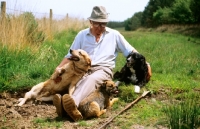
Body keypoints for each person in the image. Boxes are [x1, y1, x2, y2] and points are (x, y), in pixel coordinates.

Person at [53, 6, 152, 121]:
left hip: (103, 69)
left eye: (103, 24)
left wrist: (147, 64)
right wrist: (59, 68)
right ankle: (64, 104)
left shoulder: (114, 35)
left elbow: (131, 51)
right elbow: (70, 56)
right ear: (91, 22)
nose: (100, 27)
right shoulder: (82, 35)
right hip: (83, 69)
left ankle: (71, 105)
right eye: (97, 24)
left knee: (91, 80)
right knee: (78, 81)